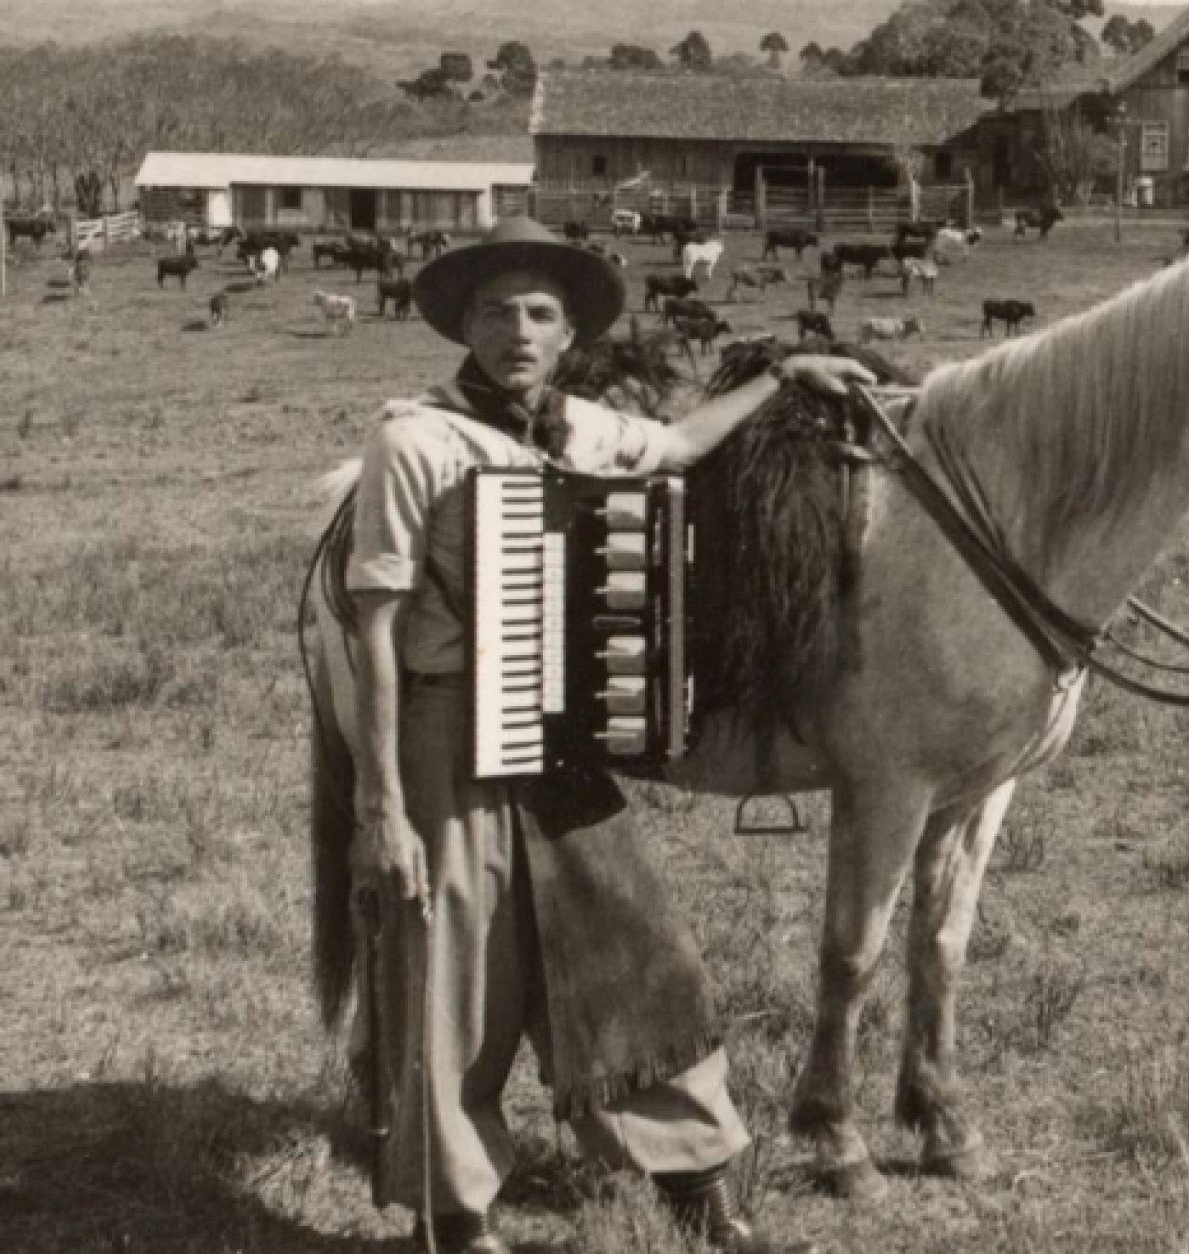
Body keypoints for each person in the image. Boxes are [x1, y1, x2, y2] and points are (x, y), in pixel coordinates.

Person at [345, 216, 872, 1254]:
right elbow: (373, 627)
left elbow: (674, 445)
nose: (519, 330)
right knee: (460, 975)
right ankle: (457, 1219)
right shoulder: (415, 439)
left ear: (571, 331)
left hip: (562, 727)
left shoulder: (582, 427)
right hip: (449, 727)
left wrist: (786, 375)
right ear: (463, 324)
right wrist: (381, 807)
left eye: (542, 312)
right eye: (497, 311)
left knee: (637, 948)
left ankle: (701, 1186)